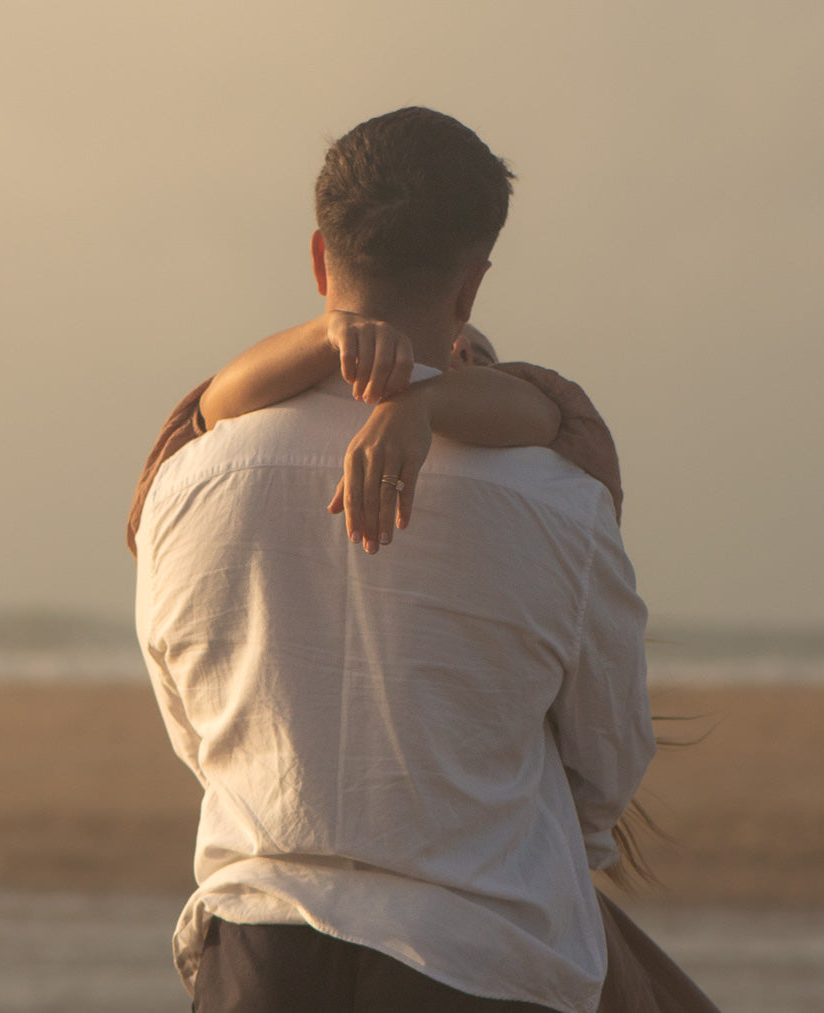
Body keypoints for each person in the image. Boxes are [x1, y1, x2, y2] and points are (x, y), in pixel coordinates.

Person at [132, 107, 655, 1013]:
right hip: (480, 959)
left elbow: (191, 721)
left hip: (255, 958)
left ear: (318, 258)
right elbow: (608, 756)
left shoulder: (192, 477)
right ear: (470, 286)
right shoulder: (556, 499)